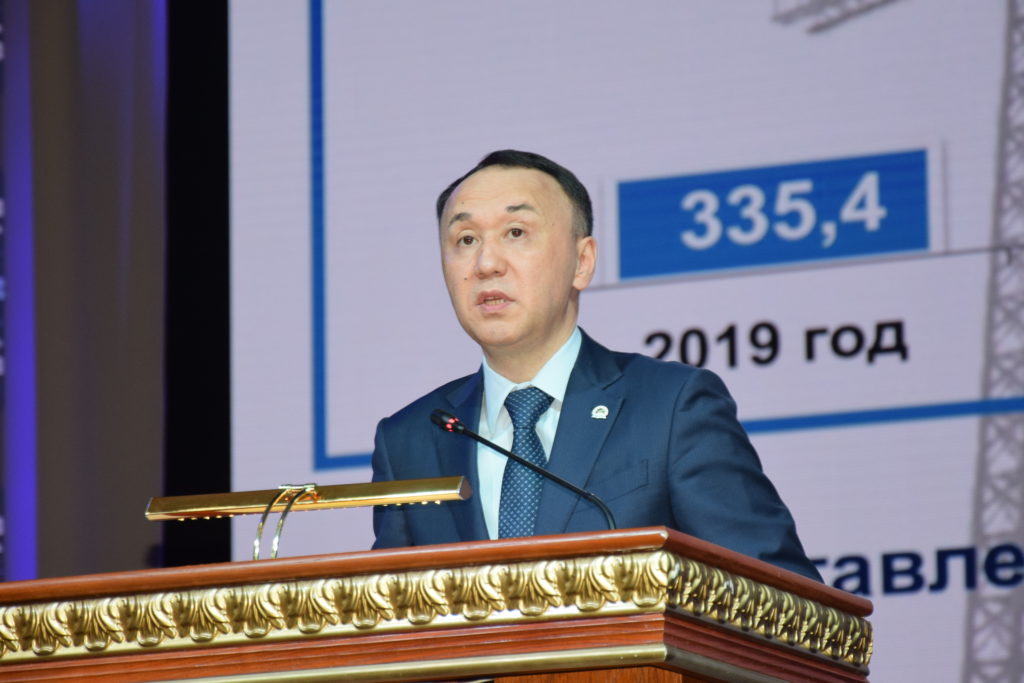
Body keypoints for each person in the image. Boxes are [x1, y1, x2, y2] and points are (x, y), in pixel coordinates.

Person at [371, 150, 821, 581]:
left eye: (516, 232)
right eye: (465, 240)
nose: (486, 263)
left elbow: (781, 598)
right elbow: (388, 616)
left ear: (582, 263)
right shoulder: (410, 440)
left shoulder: (670, 408)